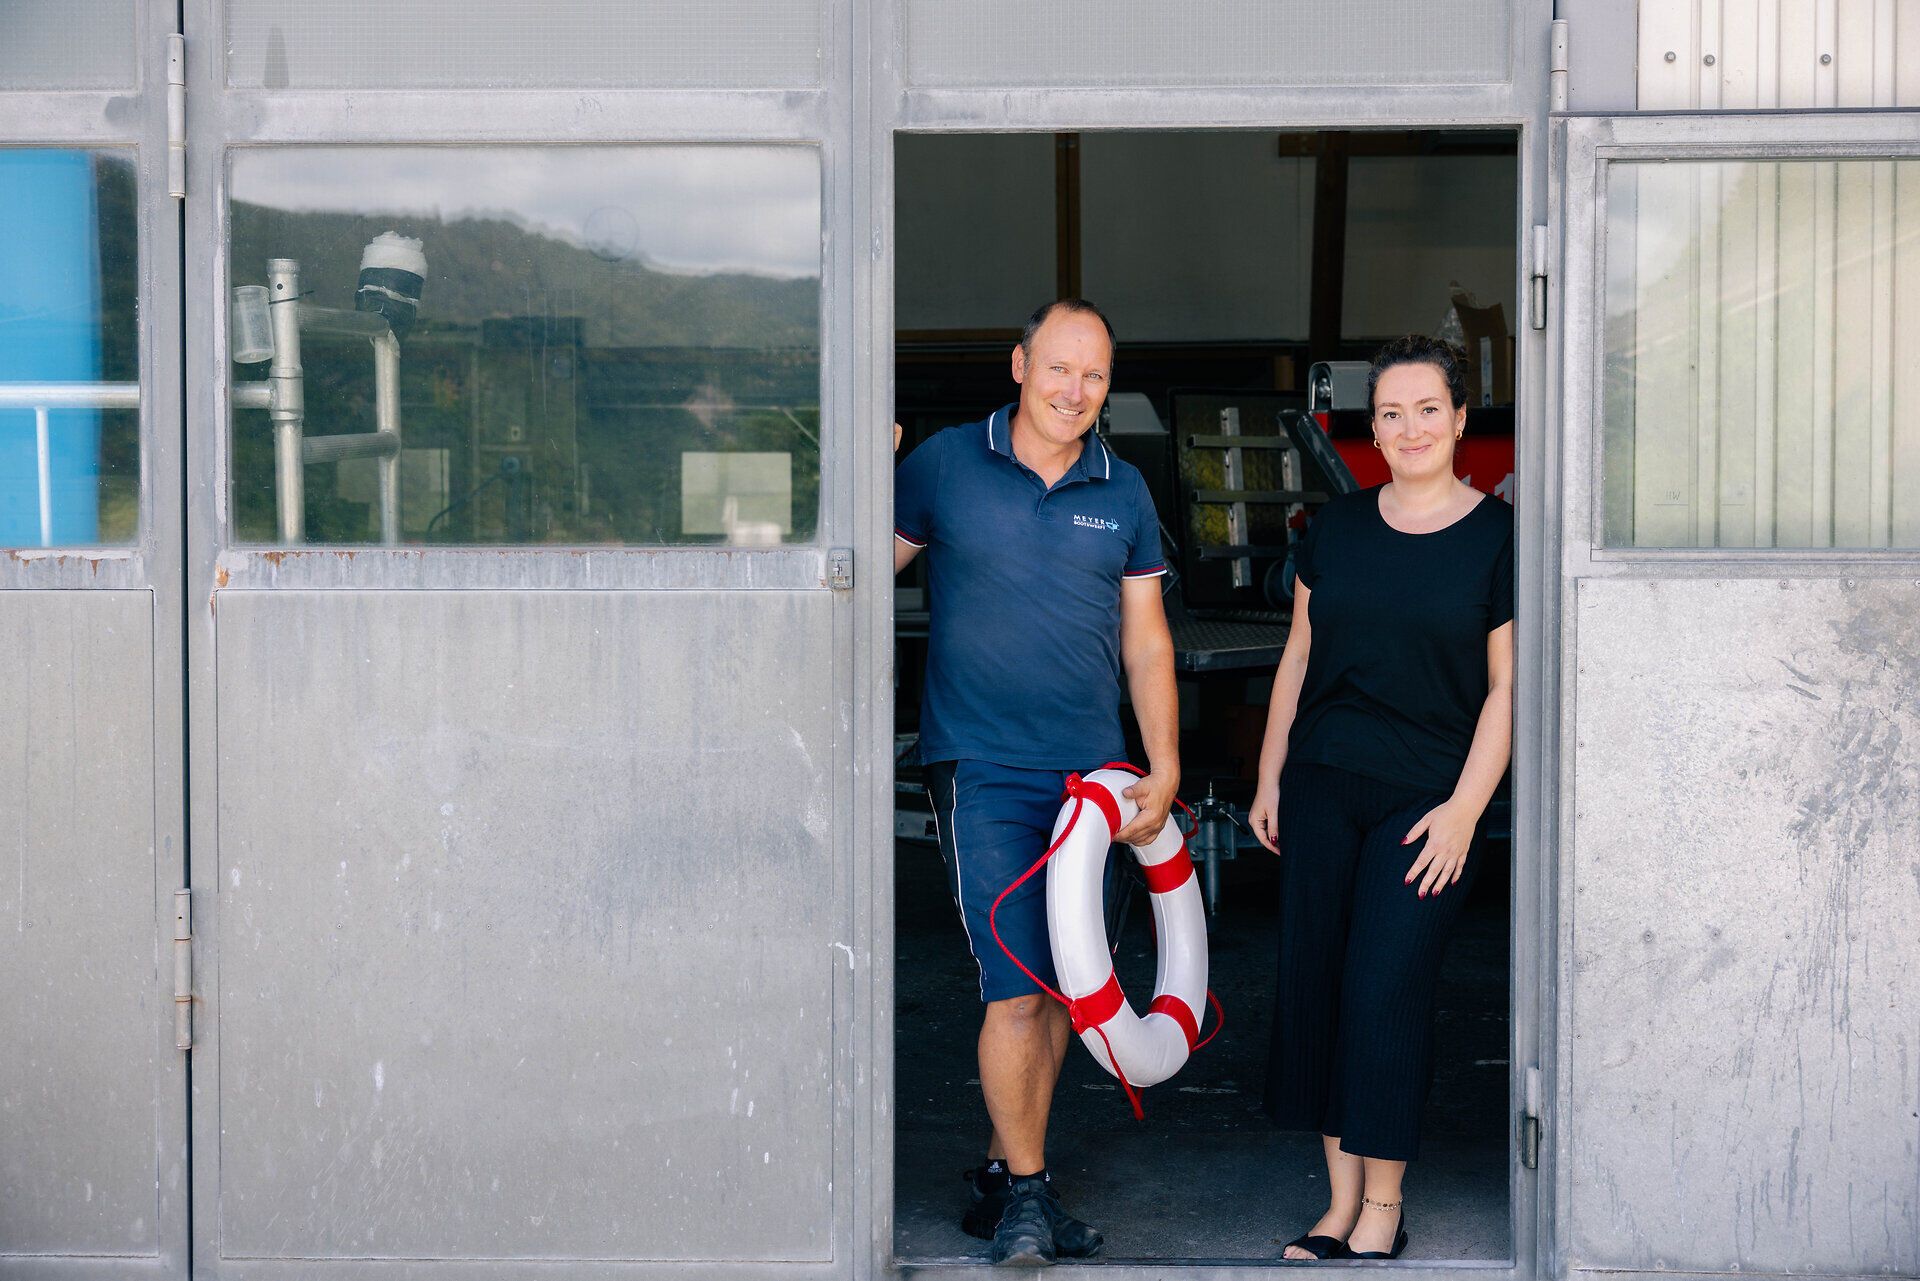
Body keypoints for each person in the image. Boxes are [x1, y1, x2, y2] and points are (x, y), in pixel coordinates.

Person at [893, 299, 1180, 1267]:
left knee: (1062, 986)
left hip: (1092, 777)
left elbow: (1146, 640)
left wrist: (1164, 759)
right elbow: (854, 569)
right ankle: (1026, 1196)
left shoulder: (1125, 489)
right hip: (982, 765)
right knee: (1015, 991)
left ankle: (1002, 1173)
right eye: (1059, 368)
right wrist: (848, 478)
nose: (1075, 391)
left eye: (1094, 375)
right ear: (1019, 365)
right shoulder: (942, 464)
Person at [1246, 335, 1515, 1262]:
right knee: (1318, 982)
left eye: (1427, 408)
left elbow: (1507, 690)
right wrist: (1271, 774)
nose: (1408, 427)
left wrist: (1466, 810)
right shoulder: (1340, 526)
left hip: (1429, 801)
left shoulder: (1497, 537)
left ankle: (1385, 1207)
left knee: (1384, 989)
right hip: (1324, 783)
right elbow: (1299, 657)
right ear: (1373, 426)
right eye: (1391, 412)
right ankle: (1338, 1199)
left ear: (1460, 418)